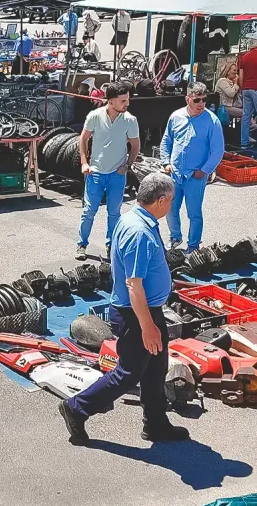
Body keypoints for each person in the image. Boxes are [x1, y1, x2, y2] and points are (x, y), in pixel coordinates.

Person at [59, 172, 191, 445]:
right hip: (136, 314)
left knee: (156, 368)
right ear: (161, 200)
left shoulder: (137, 219)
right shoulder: (138, 232)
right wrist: (147, 326)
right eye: (171, 201)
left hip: (146, 311)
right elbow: (134, 285)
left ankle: (155, 424)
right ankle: (76, 407)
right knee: (128, 373)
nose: (172, 206)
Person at [77, 81, 140, 260]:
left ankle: (111, 246)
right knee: (89, 211)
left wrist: (128, 165)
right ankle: (82, 244)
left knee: (114, 213)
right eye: (123, 101)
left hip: (116, 174)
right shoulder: (95, 116)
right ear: (111, 101)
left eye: (128, 100)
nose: (127, 104)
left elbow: (135, 145)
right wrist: (84, 163)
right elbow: (83, 139)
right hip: (95, 172)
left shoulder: (130, 120)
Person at [162, 82, 226, 252]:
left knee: (194, 214)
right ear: (187, 99)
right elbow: (167, 140)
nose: (201, 104)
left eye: (204, 100)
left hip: (195, 176)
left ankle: (193, 245)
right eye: (197, 100)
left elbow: (218, 150)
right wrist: (166, 162)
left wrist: (204, 171)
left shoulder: (212, 121)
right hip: (175, 174)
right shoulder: (176, 116)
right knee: (170, 209)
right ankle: (175, 238)